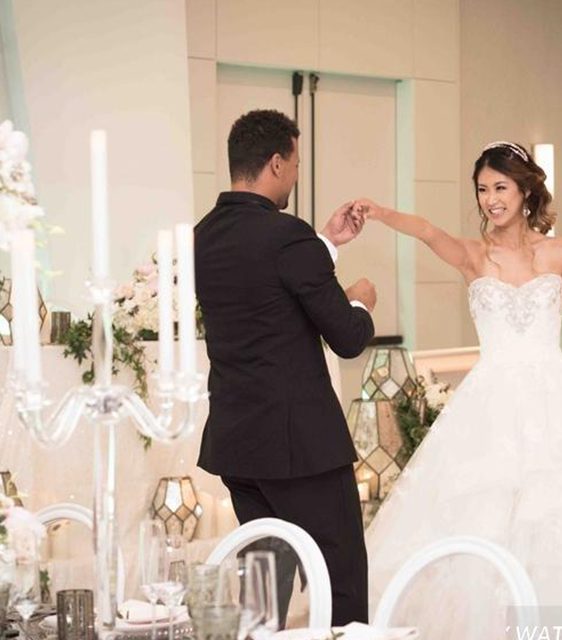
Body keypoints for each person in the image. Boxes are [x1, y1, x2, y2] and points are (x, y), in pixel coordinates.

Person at [355, 142, 562, 631]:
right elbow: (427, 231)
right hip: (488, 404)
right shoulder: (473, 256)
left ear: (525, 189)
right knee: (485, 512)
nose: (491, 199)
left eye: (501, 187)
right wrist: (381, 212)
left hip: (558, 396)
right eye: (483, 190)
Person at [194, 109, 376, 625]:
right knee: (339, 584)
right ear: (276, 162)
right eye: (294, 163)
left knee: (263, 597)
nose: (295, 174)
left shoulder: (202, 236)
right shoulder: (285, 236)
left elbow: (267, 284)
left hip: (239, 445)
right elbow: (346, 337)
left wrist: (324, 243)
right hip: (303, 450)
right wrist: (361, 302)